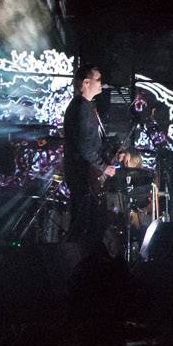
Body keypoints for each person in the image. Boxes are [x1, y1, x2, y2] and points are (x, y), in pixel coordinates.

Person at [62, 63, 117, 254]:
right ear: (86, 82)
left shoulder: (85, 107)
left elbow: (91, 143)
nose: (102, 83)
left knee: (88, 220)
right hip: (83, 173)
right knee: (87, 221)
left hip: (84, 172)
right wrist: (104, 167)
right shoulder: (82, 108)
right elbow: (85, 147)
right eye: (98, 79)